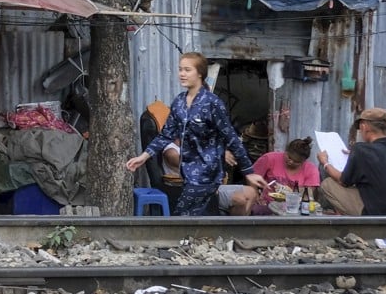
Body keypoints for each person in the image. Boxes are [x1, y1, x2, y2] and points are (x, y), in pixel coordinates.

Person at [125, 52, 267, 216]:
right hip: (188, 175)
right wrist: (143, 157)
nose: (182, 74)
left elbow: (231, 137)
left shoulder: (213, 103)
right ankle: (212, 238)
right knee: (192, 220)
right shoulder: (179, 102)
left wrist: (249, 171)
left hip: (208, 173)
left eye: (187, 70)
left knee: (185, 217)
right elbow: (165, 135)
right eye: (180, 69)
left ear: (200, 73)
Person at [316, 108, 386, 215]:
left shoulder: (361, 149)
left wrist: (325, 163)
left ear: (364, 126)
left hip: (378, 213)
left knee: (328, 184)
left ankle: (364, 223)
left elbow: (343, 181)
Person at [246, 136, 321, 215]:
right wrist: (256, 196)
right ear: (286, 151)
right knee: (254, 210)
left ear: (303, 161)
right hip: (267, 203)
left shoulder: (311, 170)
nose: (291, 162)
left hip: (294, 207)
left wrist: (289, 192)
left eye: (296, 162)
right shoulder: (270, 158)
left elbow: (308, 194)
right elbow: (252, 177)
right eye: (289, 157)